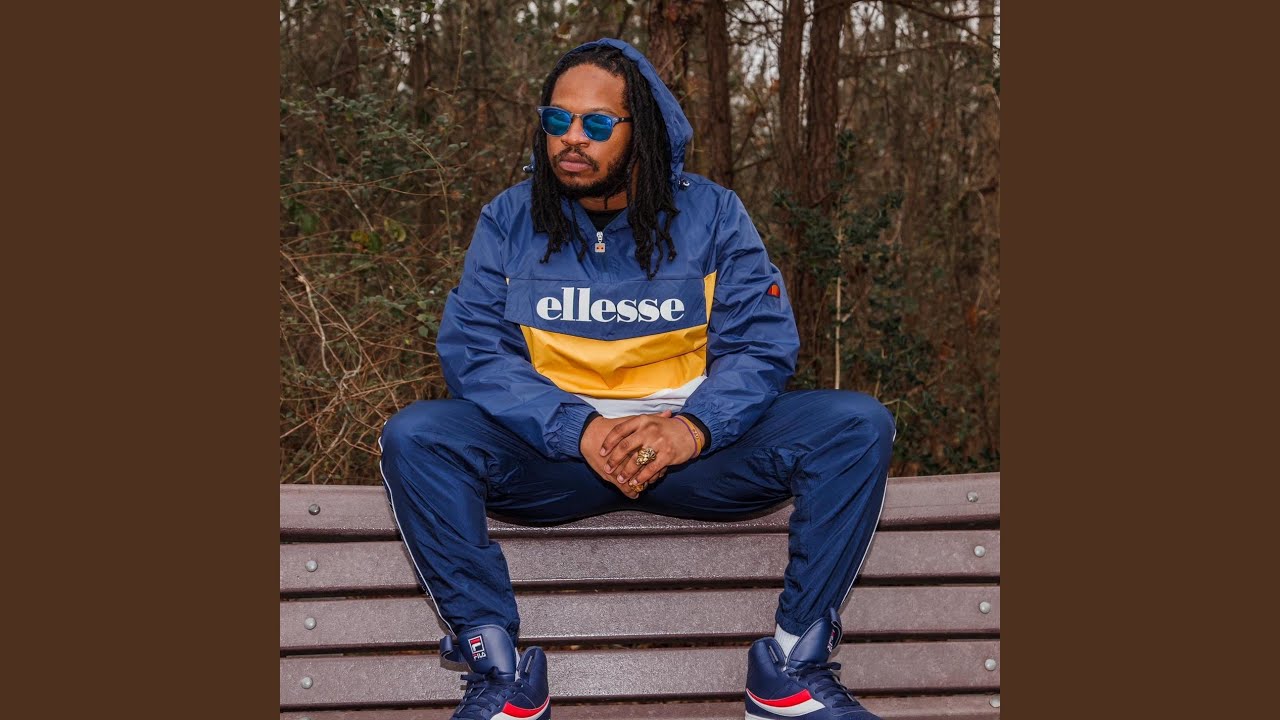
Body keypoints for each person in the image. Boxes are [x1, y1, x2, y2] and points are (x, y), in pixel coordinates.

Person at [378, 38, 896, 720]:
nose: (571, 137)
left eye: (596, 123)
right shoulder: (509, 219)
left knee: (855, 425)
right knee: (417, 436)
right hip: (555, 460)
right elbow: (475, 351)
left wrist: (691, 429)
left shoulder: (713, 214)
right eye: (557, 119)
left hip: (694, 459)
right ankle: (500, 677)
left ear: (640, 131)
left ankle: (792, 671)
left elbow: (760, 346)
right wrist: (579, 430)